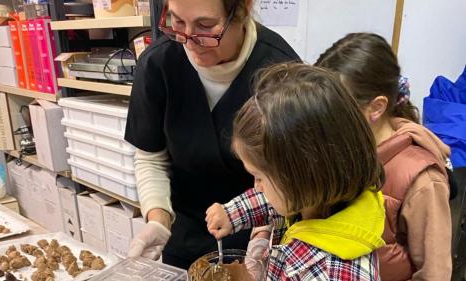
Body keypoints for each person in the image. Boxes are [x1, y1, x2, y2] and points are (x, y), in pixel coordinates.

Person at [124, 0, 300, 269]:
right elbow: (151, 157)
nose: (189, 41)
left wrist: (262, 235)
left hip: (256, 233)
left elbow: (288, 177)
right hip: (183, 232)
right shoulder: (159, 63)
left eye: (205, 26)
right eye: (177, 22)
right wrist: (157, 219)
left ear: (242, 10)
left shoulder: (280, 70)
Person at [206, 63, 386, 280]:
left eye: (260, 177)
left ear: (302, 177)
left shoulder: (334, 274)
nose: (257, 186)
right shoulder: (315, 199)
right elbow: (271, 199)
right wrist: (231, 213)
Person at [315, 32, 452, 280]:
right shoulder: (339, 147)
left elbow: (434, 274)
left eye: (336, 106)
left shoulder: (423, 180)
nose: (324, 116)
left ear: (376, 107)